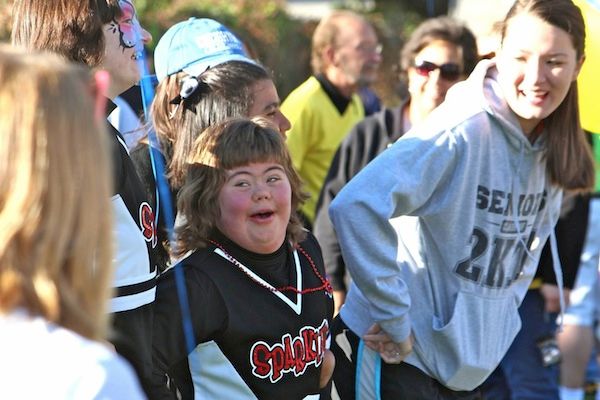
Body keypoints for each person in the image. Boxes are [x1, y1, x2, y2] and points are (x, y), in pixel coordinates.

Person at [327, 0, 594, 398]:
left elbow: (520, 262)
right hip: (395, 356)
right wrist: (395, 316)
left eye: (554, 61)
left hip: (464, 372)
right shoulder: (462, 129)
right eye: (521, 57)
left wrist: (496, 329)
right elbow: (356, 205)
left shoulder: (553, 145)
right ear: (498, 54)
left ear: (578, 65)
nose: (536, 77)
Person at [12, 0, 160, 394]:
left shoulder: (98, 129)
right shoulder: (73, 139)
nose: (143, 37)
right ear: (80, 41)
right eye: (123, 26)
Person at [150, 118, 334, 399]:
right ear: (208, 200)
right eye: (242, 183)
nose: (262, 192)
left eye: (273, 177)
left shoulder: (306, 249)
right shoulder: (196, 283)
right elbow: (137, 364)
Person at [313, 16, 479, 314]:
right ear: (409, 71)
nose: (435, 81)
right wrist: (333, 285)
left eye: (450, 71)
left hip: (440, 307)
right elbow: (331, 213)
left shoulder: (474, 144)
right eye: (426, 67)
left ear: (465, 80)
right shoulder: (368, 134)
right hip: (365, 300)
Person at [131, 17, 291, 268]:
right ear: (218, 107)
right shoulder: (146, 171)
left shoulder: (265, 173)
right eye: (269, 112)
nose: (285, 123)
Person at [281, 10, 382, 228]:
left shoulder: (356, 103)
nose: (376, 57)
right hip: (308, 232)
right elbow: (280, 175)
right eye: (363, 48)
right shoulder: (304, 104)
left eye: (376, 48)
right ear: (331, 55)